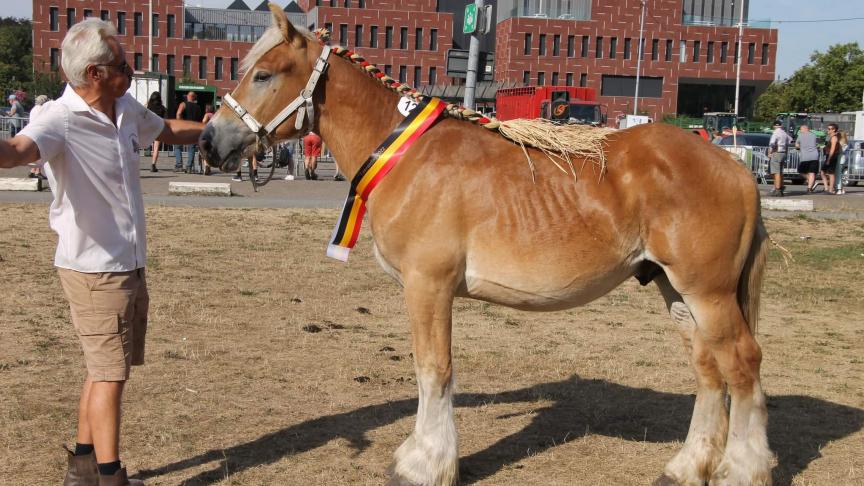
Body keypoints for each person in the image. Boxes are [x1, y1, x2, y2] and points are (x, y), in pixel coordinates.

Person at [0, 19, 203, 486]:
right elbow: (17, 150)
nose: (131, 71)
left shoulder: (126, 107)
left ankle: (83, 468)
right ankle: (111, 477)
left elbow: (167, 130)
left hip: (128, 263)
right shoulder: (60, 120)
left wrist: (221, 134)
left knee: (102, 371)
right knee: (111, 377)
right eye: (122, 64)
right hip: (93, 270)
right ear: (94, 73)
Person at [174, 91, 203, 173]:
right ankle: (189, 167)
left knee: (177, 146)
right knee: (192, 148)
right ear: (194, 98)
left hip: (183, 128)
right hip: (193, 129)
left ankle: (179, 165)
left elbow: (178, 114)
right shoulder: (198, 107)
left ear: (187, 96)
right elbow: (199, 120)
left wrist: (181, 123)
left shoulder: (183, 104)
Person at [26, 94, 50, 179]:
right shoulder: (42, 109)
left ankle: (33, 170)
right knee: (40, 153)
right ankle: (37, 171)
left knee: (35, 153)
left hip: (32, 132)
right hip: (40, 132)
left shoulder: (34, 109)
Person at [767, 120, 792, 197]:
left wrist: (769, 153)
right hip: (783, 153)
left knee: (775, 172)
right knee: (780, 172)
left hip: (776, 152)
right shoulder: (784, 133)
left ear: (774, 126)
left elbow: (772, 143)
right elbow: (790, 140)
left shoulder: (775, 133)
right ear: (781, 125)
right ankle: (780, 186)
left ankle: (778, 189)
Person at [795, 124, 820, 192]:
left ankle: (811, 181)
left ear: (804, 129)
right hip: (814, 156)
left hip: (805, 157)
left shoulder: (800, 135)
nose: (800, 131)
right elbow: (817, 145)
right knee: (812, 172)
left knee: (801, 171)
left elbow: (796, 145)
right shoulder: (814, 135)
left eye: (801, 129)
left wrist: (800, 147)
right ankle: (809, 188)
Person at [146, 92, 166, 173]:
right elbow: (165, 119)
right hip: (158, 129)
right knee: (156, 148)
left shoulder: (149, 107)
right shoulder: (162, 108)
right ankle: (153, 165)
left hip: (148, 129)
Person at [821, 123, 840, 194]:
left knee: (831, 173)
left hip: (832, 157)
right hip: (829, 156)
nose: (828, 130)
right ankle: (826, 188)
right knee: (822, 172)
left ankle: (831, 189)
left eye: (829, 129)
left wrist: (829, 159)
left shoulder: (834, 138)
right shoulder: (831, 137)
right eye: (828, 128)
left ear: (834, 130)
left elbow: (832, 149)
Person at [200, 104, 215, 175]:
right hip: (213, 135)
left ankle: (206, 166)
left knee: (204, 151)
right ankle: (208, 166)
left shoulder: (207, 115)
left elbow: (204, 121)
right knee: (209, 151)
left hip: (206, 134)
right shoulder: (215, 115)